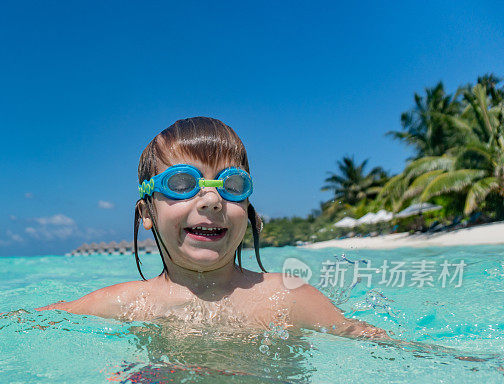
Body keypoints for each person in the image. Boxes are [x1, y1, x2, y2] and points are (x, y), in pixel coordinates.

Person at [37, 116, 389, 339]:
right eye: (180, 183)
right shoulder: (123, 303)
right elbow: (15, 321)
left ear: (248, 208)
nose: (211, 200)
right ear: (146, 212)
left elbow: (373, 341)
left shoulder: (287, 296)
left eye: (232, 186)